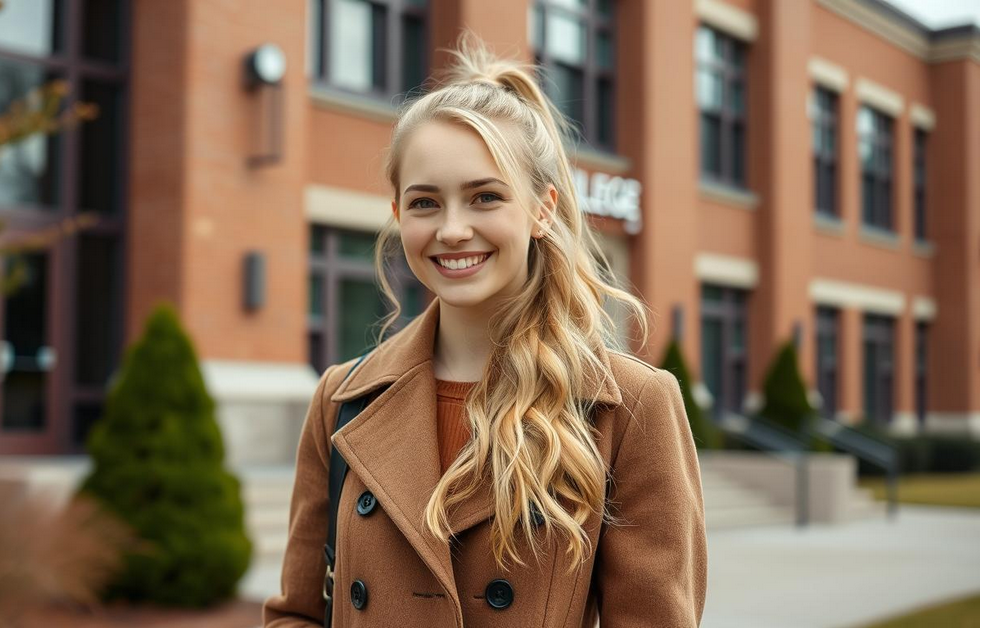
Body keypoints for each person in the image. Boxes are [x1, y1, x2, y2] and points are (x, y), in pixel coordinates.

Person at [263, 33, 707, 628]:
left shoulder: (629, 407)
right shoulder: (342, 400)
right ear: (398, 215)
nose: (451, 230)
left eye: (485, 197)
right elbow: (297, 614)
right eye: (425, 203)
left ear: (542, 209)